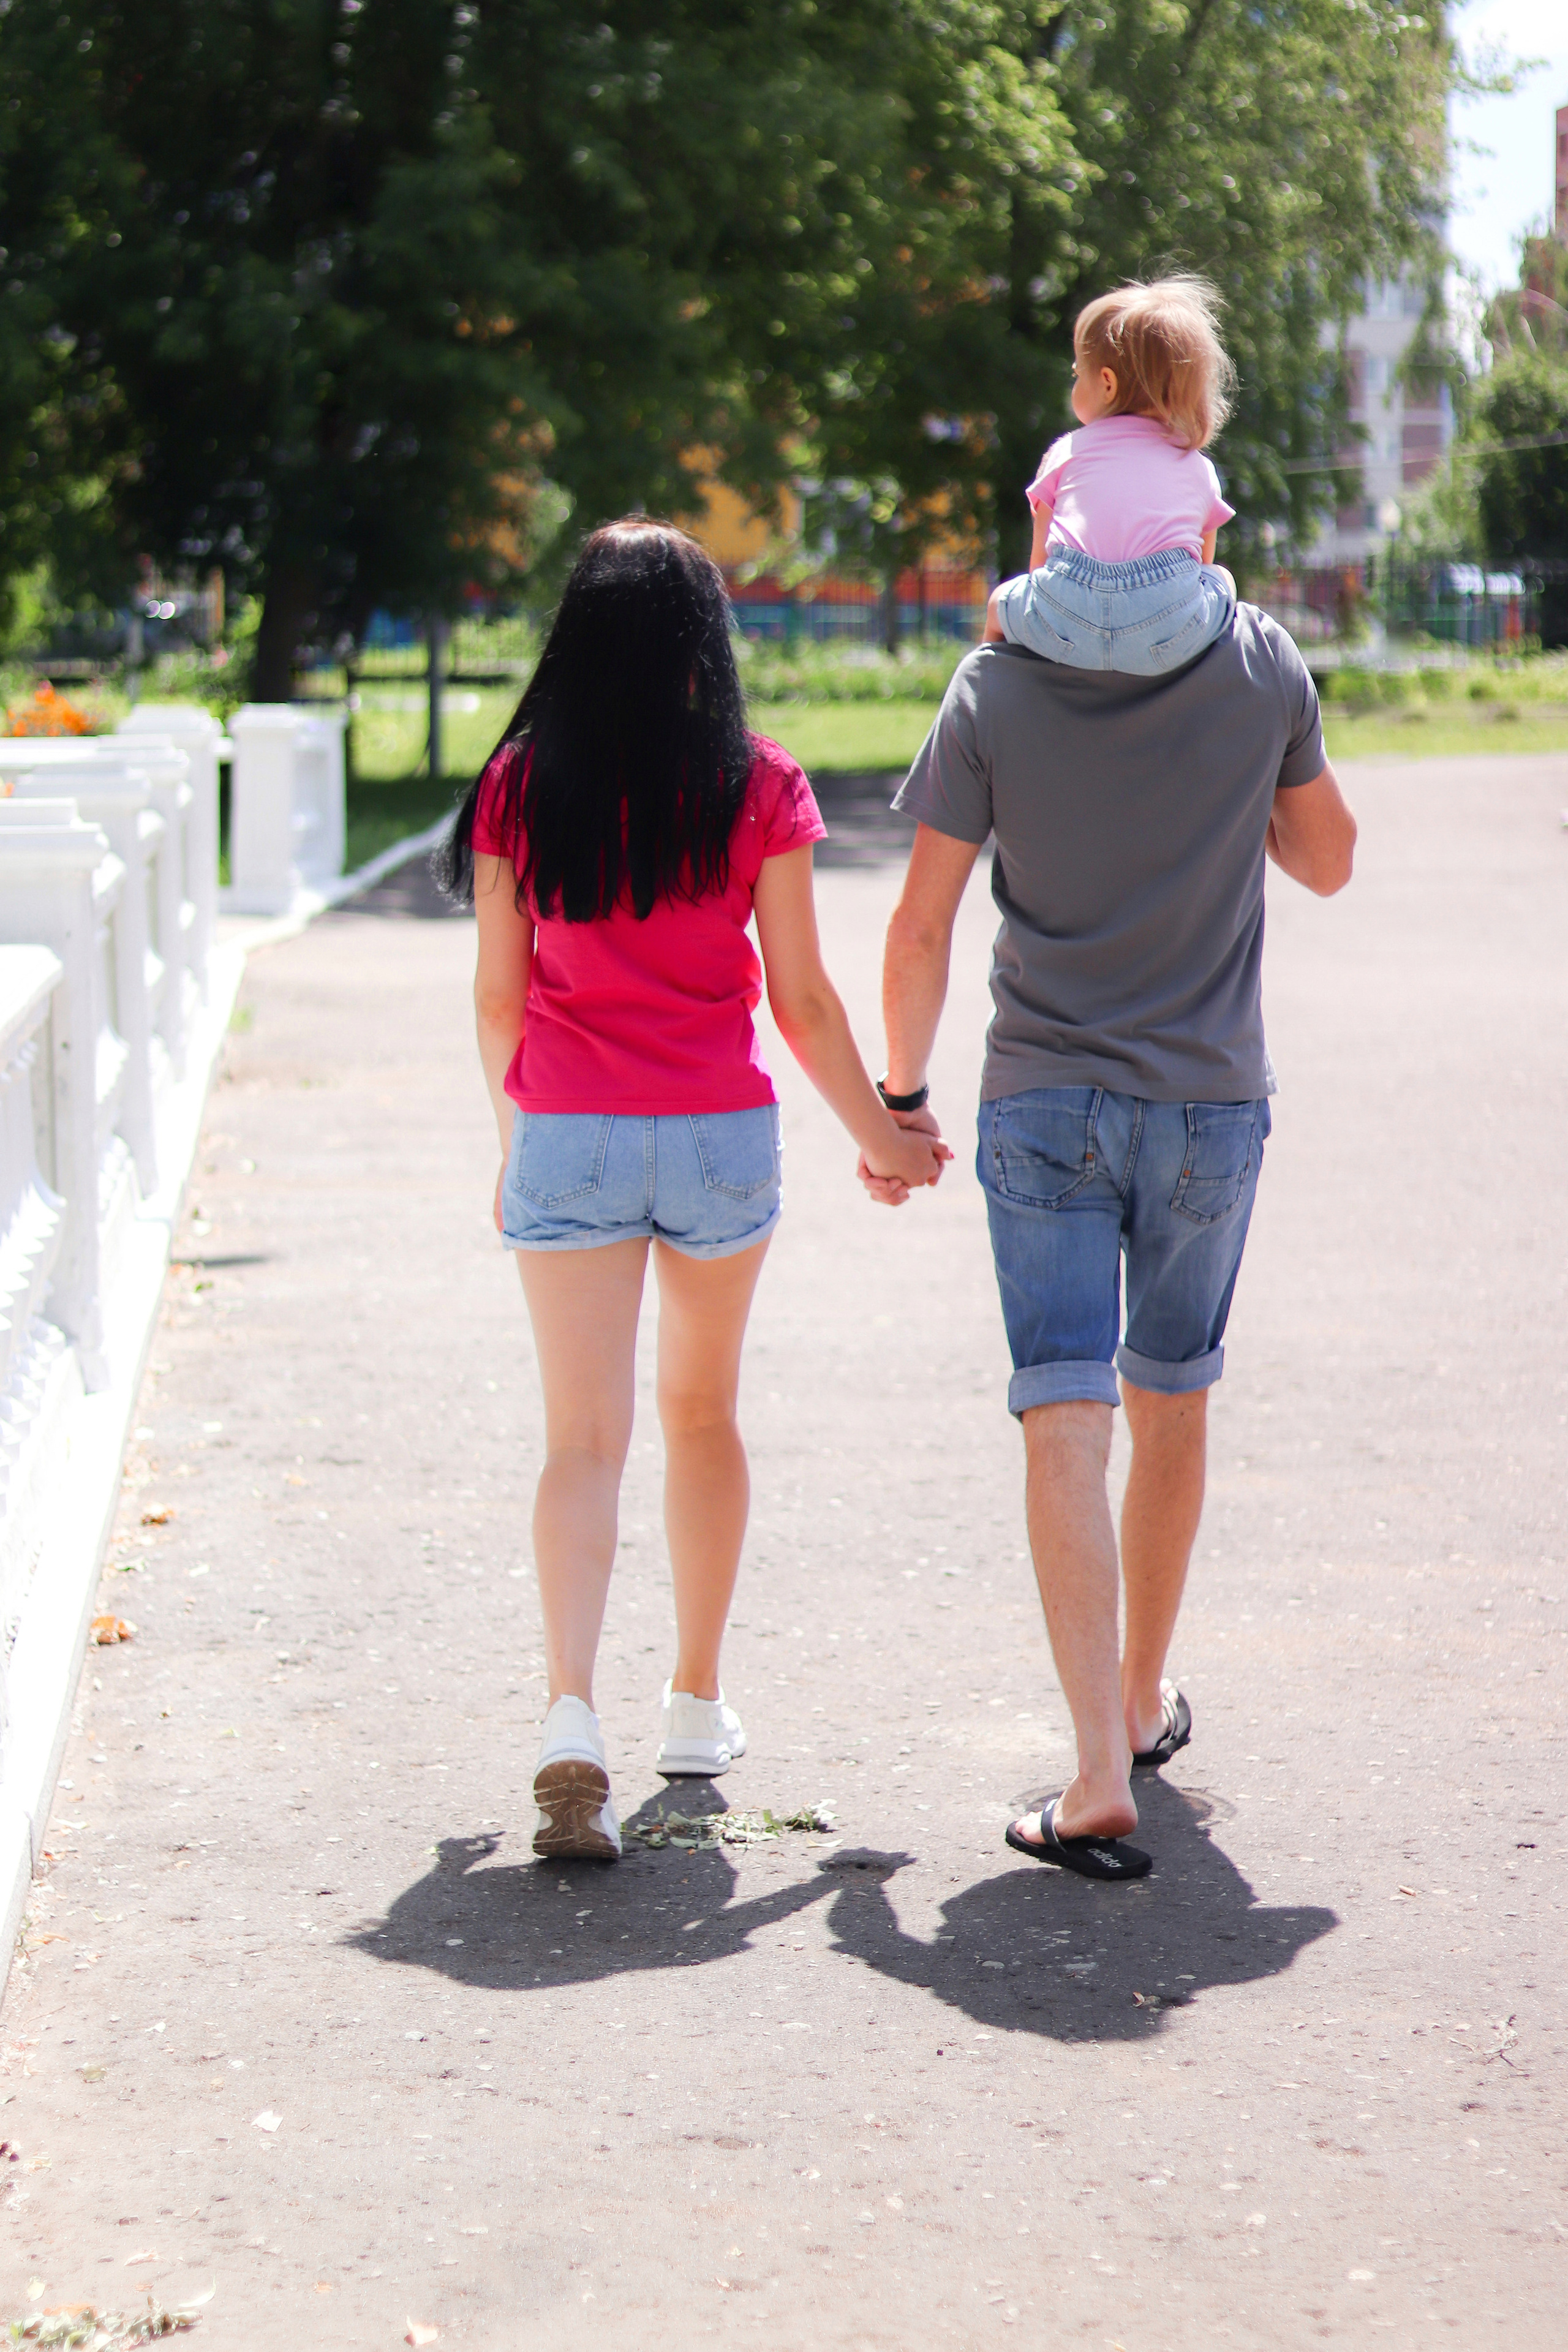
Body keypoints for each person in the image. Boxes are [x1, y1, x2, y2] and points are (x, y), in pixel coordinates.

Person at [441, 519, 944, 1864]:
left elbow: (497, 996)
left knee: (579, 1442)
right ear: (701, 637)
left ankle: (566, 1719)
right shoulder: (756, 781)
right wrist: (884, 1135)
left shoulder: (517, 786)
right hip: (717, 1134)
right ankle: (692, 1704)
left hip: (571, 1131)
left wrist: (515, 1139)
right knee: (701, 1415)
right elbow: (804, 1000)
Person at [867, 573, 1356, 1880]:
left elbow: (919, 924)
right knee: (1171, 1397)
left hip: (1039, 1097)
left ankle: (1094, 1772)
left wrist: (899, 1100)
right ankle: (1140, 1703)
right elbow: (1326, 859)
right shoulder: (1256, 666)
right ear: (1198, 523)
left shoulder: (993, 685)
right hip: (1204, 1099)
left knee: (1063, 1408)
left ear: (1050, 523)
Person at [983, 276, 1238, 676]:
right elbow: (1200, 567)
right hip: (1166, 636)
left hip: (1068, 626)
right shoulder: (1197, 465)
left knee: (1000, 602)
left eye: (1076, 373)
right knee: (1219, 578)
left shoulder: (1065, 452)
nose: (1073, 384)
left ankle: (997, 696)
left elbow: (1040, 566)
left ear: (1106, 383)